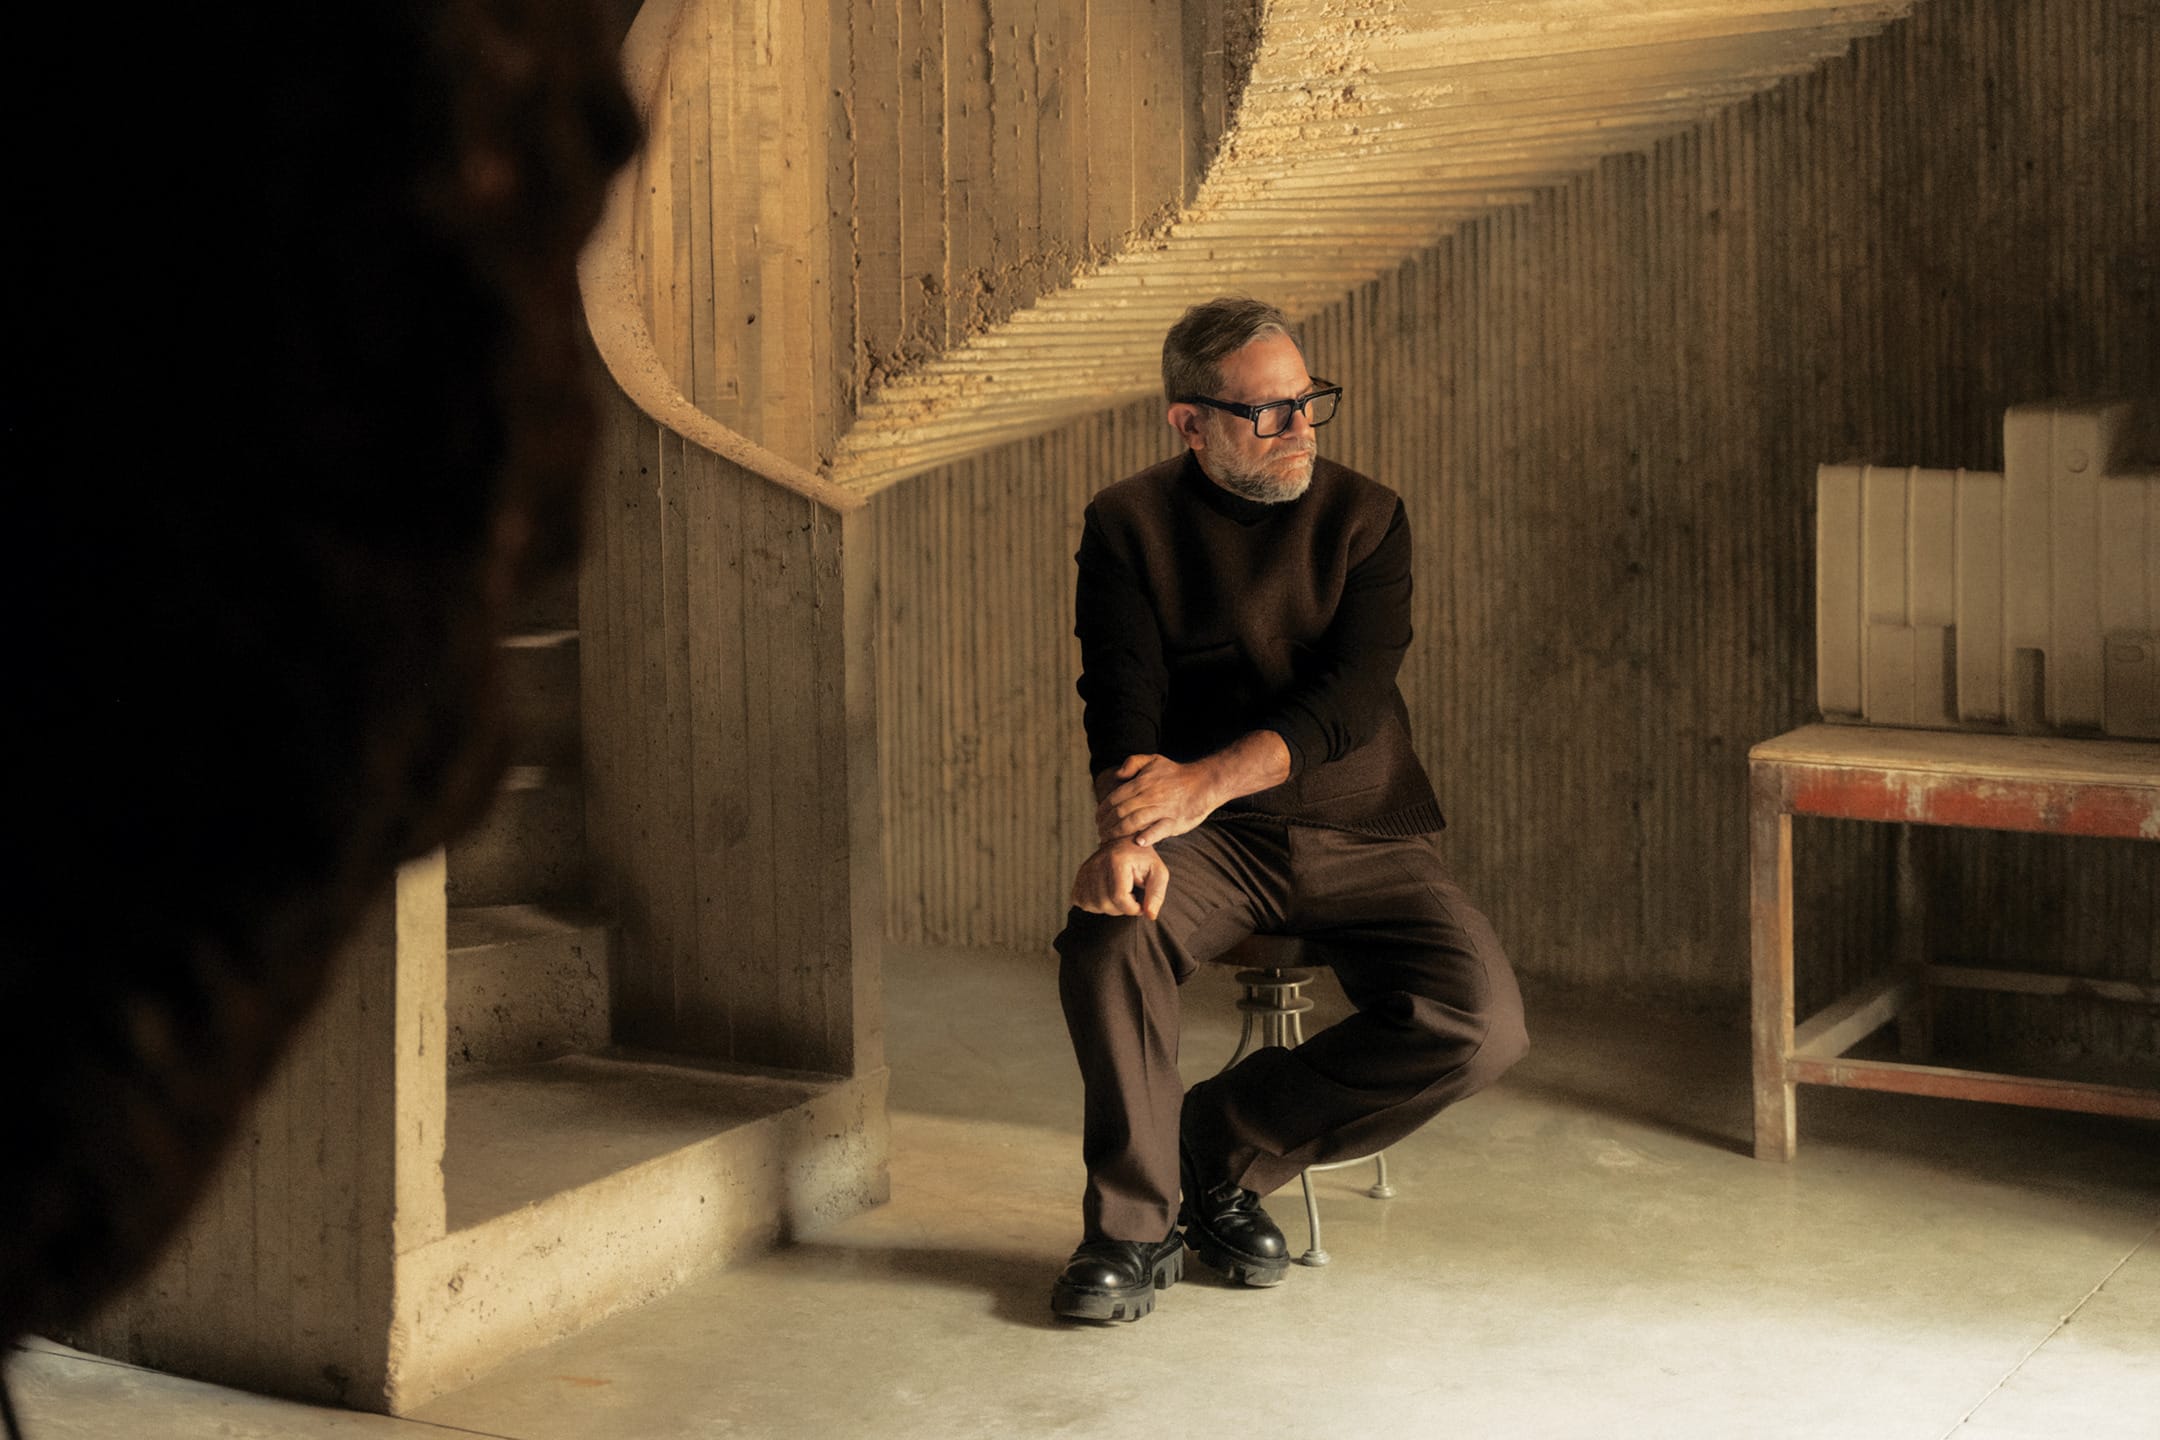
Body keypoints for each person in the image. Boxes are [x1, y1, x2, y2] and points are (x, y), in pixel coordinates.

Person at [1050, 296, 1529, 1323]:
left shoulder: (1368, 515)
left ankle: (1221, 1142)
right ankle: (1130, 1231)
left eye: (1309, 400)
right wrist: (1127, 834)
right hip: (1213, 842)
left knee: (1482, 1024)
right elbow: (1120, 694)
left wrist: (1199, 783)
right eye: (1269, 411)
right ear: (1190, 423)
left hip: (1363, 826)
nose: (1301, 426)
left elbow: (1348, 700)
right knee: (1108, 936)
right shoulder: (1128, 523)